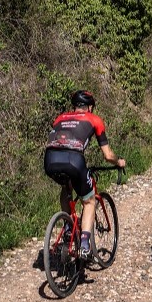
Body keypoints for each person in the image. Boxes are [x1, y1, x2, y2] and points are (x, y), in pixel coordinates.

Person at [44, 90, 125, 260]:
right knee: (89, 201)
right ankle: (86, 244)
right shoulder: (94, 119)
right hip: (74, 160)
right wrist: (119, 162)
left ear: (74, 106)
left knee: (67, 187)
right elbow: (108, 155)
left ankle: (67, 226)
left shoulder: (59, 118)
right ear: (90, 107)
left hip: (50, 160)